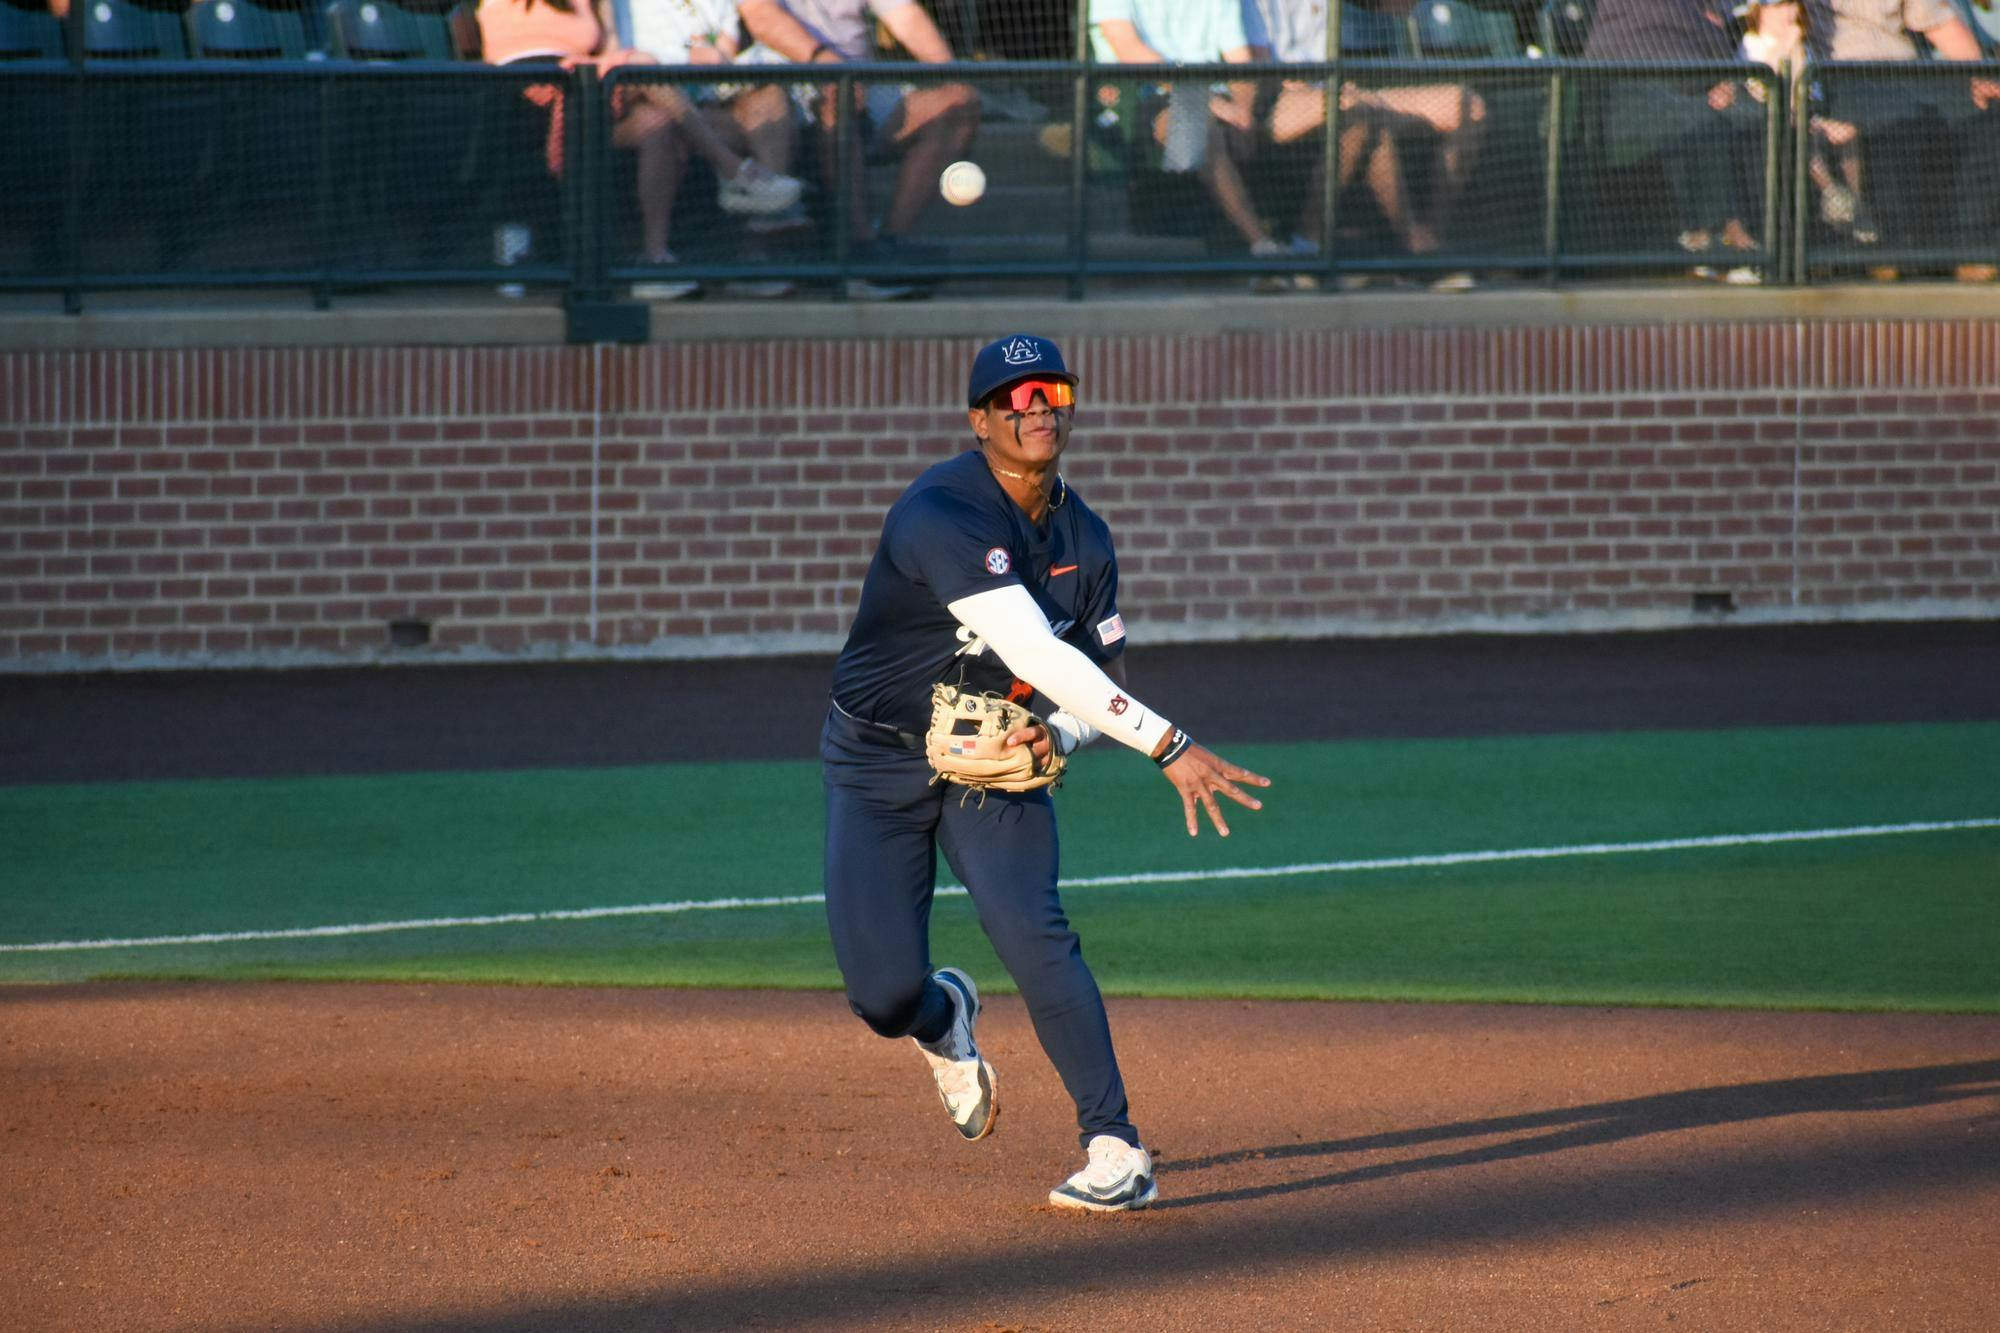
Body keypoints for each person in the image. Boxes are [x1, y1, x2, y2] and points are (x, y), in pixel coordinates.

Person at [819, 333, 1272, 1211]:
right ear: (980, 420)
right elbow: (1032, 647)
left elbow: (1094, 684)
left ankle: (1116, 1147)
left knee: (1033, 929)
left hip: (995, 767)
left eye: (1050, 391)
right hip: (876, 756)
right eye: (1014, 397)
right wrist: (1170, 747)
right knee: (880, 995)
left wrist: (1058, 739)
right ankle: (941, 1016)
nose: (1036, 409)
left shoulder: (1086, 540)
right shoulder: (939, 513)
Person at [476, 0, 804, 300]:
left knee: (656, 121)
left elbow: (613, 48)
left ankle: (655, 261)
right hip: (524, 95)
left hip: (587, 93)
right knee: (643, 64)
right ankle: (732, 169)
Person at [736, 0, 981, 300]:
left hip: (862, 84)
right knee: (840, 93)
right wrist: (829, 65)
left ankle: (889, 245)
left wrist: (949, 71)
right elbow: (760, 16)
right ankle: (860, 252)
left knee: (959, 100)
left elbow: (905, 17)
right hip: (783, 91)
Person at [1240, 0, 1489, 291]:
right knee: (1359, 110)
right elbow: (1258, 75)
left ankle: (1430, 240)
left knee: (1468, 106)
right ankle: (1307, 246)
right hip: (1275, 103)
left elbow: (1397, 8)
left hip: (1340, 91)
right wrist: (1334, 92)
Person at [1087, 0, 1284, 285]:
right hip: (1145, 96)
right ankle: (1264, 249)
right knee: (1200, 126)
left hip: (1220, 98)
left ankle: (1309, 246)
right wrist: (1208, 101)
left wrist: (1244, 112)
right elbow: (1128, 50)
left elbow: (1239, 57)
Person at [1802, 0, 2000, 282]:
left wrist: (1980, 75)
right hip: (1842, 74)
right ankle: (1892, 253)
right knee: (1898, 126)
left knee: (1987, 117)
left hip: (1908, 71)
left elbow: (1937, 21)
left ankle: (1973, 249)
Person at [621, 0, 809, 297]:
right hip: (640, 105)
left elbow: (725, 50)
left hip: (706, 105)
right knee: (658, 114)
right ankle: (654, 260)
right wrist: (689, 58)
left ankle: (755, 252)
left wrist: (717, 59)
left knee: (769, 97)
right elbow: (631, 59)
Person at [1583, 0, 1767, 284]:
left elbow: (1715, 30)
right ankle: (1717, 237)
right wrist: (1710, 78)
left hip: (1691, 85)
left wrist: (1721, 81)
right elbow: (1668, 31)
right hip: (1625, 92)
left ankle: (1766, 237)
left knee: (1758, 115)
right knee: (1701, 121)